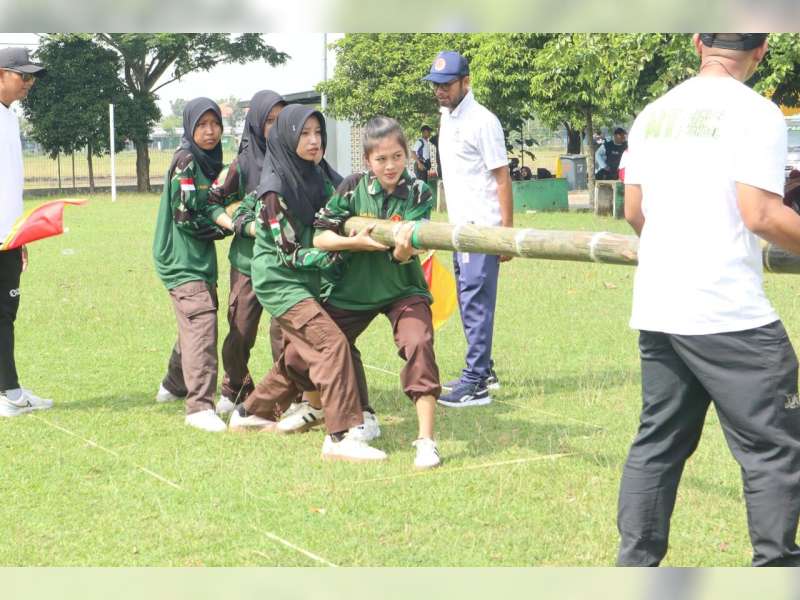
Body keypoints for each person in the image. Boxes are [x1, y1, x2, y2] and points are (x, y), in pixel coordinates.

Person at [618, 33, 800, 566]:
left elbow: (634, 211)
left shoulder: (653, 113)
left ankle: (634, 568)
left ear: (698, 42)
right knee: (773, 448)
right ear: (761, 49)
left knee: (658, 444)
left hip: (661, 304)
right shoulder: (757, 113)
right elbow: (761, 214)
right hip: (728, 310)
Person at [227, 104, 387, 463]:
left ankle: (251, 412)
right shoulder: (274, 191)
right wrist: (345, 249)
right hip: (280, 280)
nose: (314, 141)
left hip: (307, 279)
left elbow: (342, 206)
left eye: (318, 133)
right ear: (287, 138)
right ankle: (341, 435)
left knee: (300, 353)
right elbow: (291, 254)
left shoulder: (317, 174)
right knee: (332, 343)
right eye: (304, 134)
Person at [311, 115, 442, 469]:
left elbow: (407, 253)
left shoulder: (419, 190)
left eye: (397, 157)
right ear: (367, 160)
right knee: (325, 342)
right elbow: (320, 237)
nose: (390, 166)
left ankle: (426, 441)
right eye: (381, 159)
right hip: (353, 288)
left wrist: (401, 249)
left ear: (407, 154)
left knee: (419, 342)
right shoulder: (352, 187)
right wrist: (354, 242)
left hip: (402, 287)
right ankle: (362, 415)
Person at [423, 50, 513, 408]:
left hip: (482, 228)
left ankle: (475, 383)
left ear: (466, 82)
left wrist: (506, 234)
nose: (440, 91)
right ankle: (485, 370)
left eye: (447, 85)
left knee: (475, 302)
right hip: (458, 229)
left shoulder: (482, 121)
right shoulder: (447, 117)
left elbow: (502, 177)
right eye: (436, 85)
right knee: (467, 299)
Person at [153, 97, 234, 432]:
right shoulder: (186, 160)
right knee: (202, 321)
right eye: (202, 125)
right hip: (180, 257)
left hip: (199, 257)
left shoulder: (210, 162)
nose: (210, 131)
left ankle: (173, 385)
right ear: (189, 128)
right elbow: (185, 217)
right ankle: (199, 407)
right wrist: (228, 227)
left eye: (215, 124)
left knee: (194, 321)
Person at [208, 90, 287, 415]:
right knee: (240, 327)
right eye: (269, 121)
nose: (275, 127)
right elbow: (213, 201)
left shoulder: (297, 158)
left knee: (284, 332)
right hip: (247, 261)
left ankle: (289, 393)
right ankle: (235, 387)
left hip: (286, 262)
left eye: (281, 120)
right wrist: (236, 224)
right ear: (256, 124)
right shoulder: (241, 164)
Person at [0, 47, 51, 417]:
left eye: (32, 76)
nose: (29, 83)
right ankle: (10, 394)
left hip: (9, 236)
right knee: (3, 313)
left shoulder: (9, 118)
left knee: (6, 312)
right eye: (23, 75)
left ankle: (9, 389)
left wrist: (20, 234)